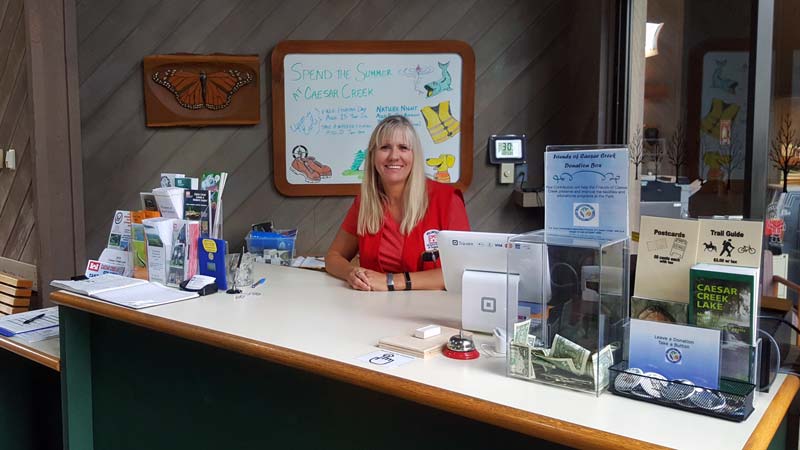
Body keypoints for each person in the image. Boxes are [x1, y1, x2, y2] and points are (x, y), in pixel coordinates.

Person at [326, 115, 470, 291]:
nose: (394, 156)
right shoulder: (365, 202)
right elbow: (333, 257)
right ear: (372, 157)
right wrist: (351, 273)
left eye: (403, 148)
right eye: (385, 147)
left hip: (431, 311)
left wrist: (391, 282)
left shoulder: (447, 200)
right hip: (373, 307)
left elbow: (461, 271)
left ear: (414, 156)